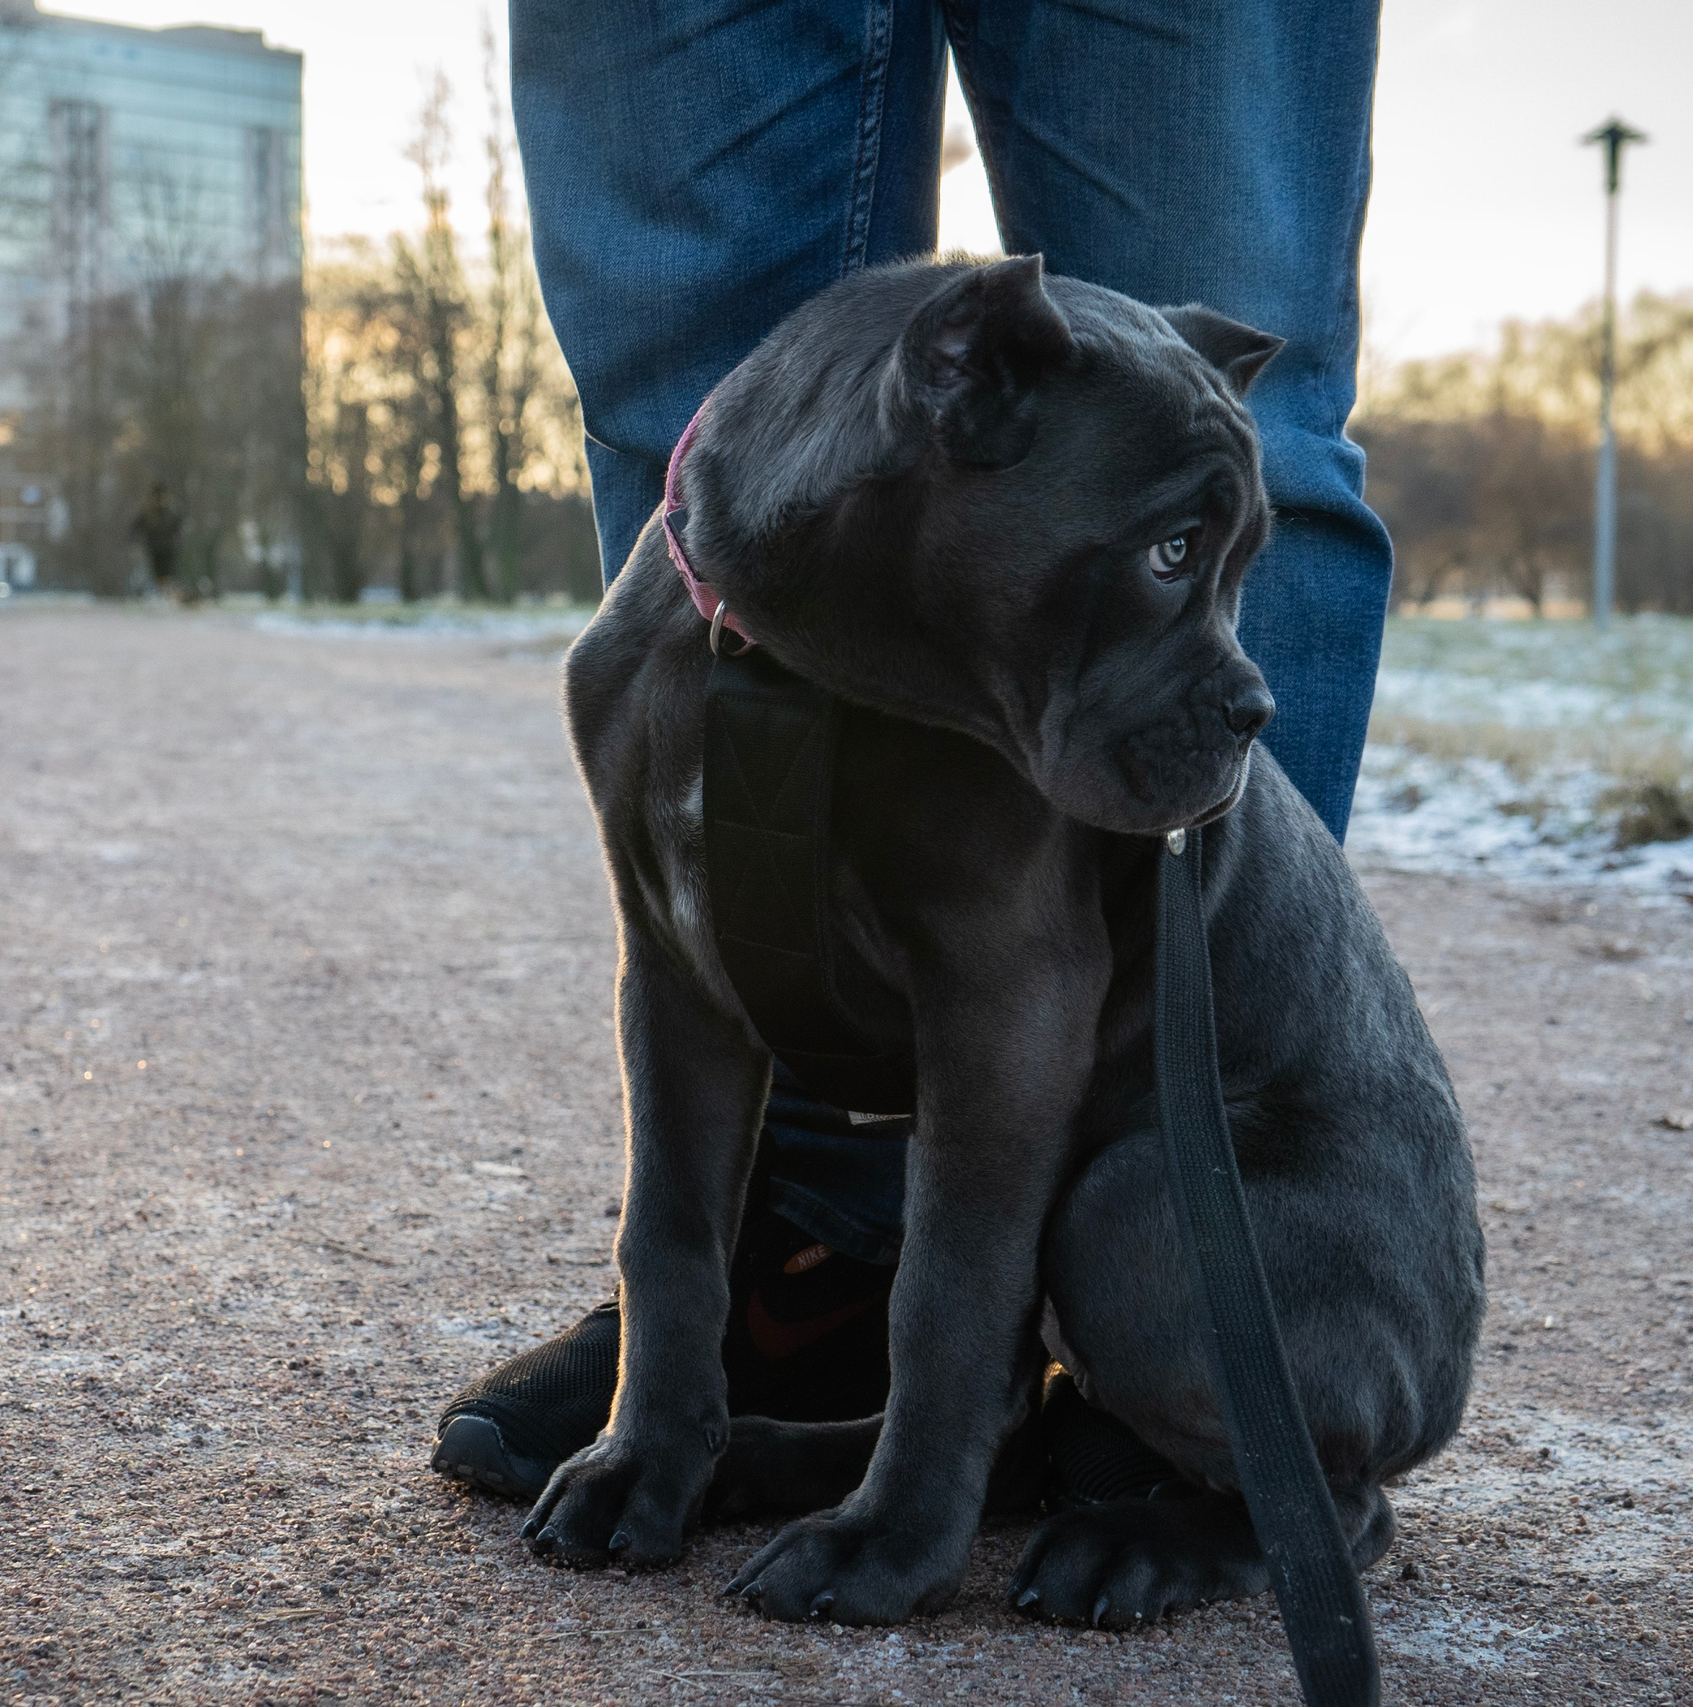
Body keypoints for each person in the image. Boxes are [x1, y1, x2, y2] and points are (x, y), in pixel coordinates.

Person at [433, 0, 1395, 1502]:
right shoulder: (643, 651)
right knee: (691, 343)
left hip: (1234, 1175)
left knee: (1201, 310)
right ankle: (818, 1255)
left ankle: (1209, 1342)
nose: (1238, 671)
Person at [130, 484, 185, 599]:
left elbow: (179, 527)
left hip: (169, 548)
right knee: (158, 576)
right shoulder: (148, 514)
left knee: (168, 575)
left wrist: (178, 540)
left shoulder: (171, 513)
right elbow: (135, 528)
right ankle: (165, 596)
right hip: (154, 548)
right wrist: (134, 542)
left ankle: (170, 596)